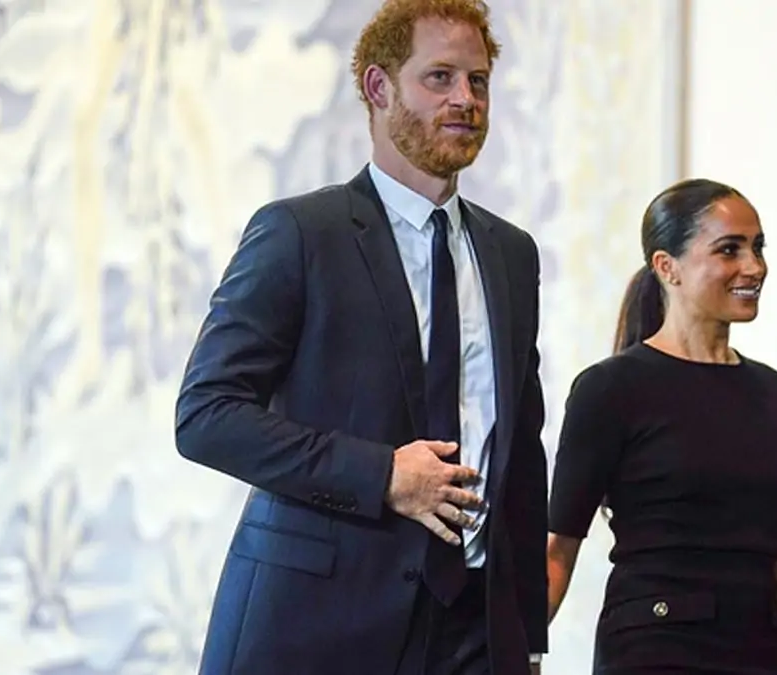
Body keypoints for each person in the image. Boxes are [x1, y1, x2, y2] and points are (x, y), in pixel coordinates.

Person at [173, 1, 547, 673]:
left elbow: (520, 450)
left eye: (478, 81)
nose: (466, 100)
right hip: (317, 625)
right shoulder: (299, 234)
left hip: (476, 633)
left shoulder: (511, 254)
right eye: (439, 77)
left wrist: (528, 637)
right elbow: (206, 416)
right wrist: (384, 475)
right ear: (379, 87)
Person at [544, 179, 777, 674]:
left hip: (754, 654)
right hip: (652, 654)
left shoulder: (773, 393)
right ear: (666, 266)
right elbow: (557, 553)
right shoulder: (610, 389)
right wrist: (515, 655)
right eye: (729, 249)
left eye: (758, 248)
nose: (754, 267)